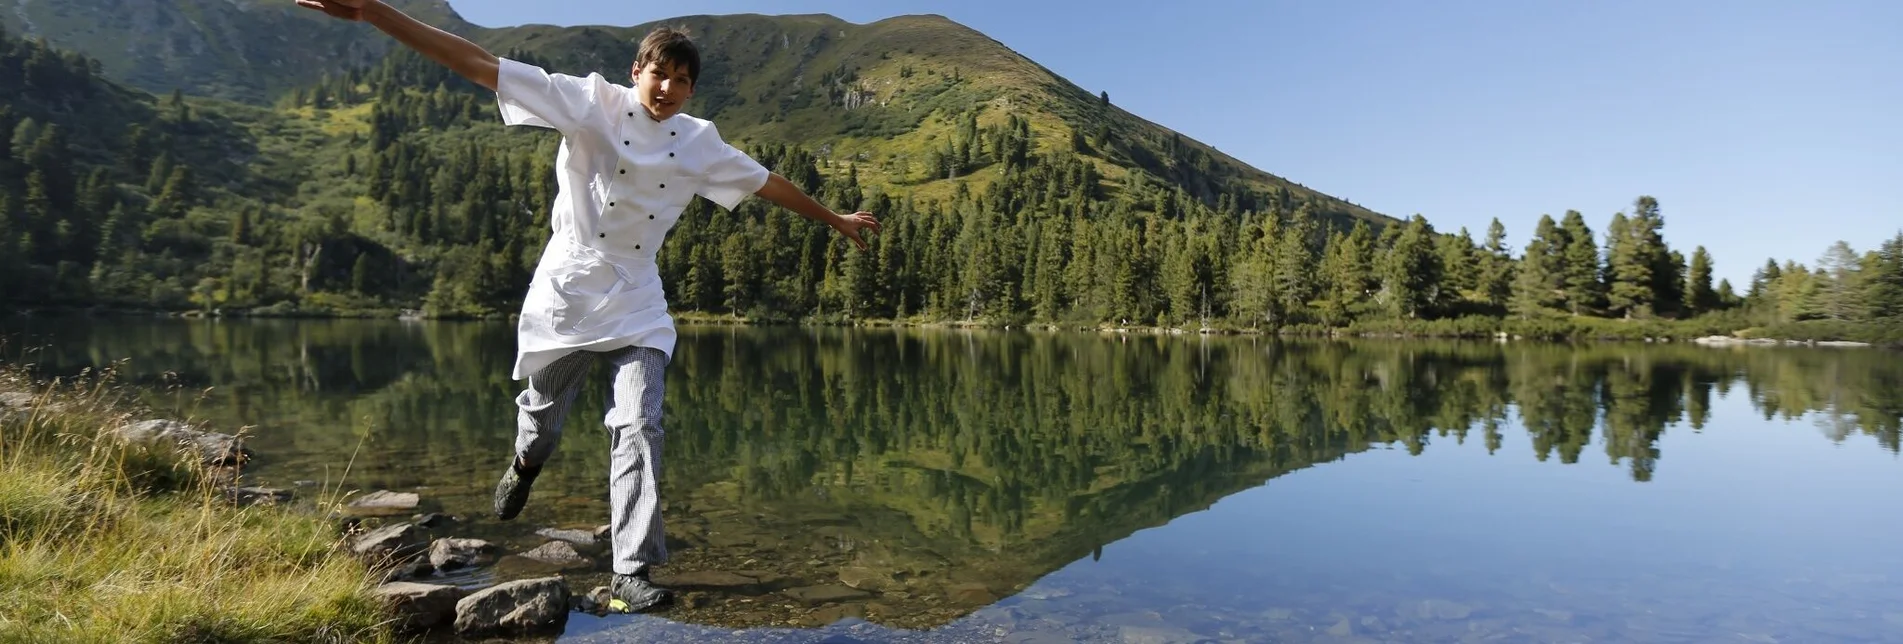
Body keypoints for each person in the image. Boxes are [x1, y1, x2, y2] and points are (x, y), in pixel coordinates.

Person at [295, 0, 881, 613]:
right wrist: (376, 13)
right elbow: (478, 63)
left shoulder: (699, 141)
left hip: (637, 300)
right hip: (568, 292)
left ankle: (632, 567)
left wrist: (834, 219)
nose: (670, 89)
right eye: (661, 74)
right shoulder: (588, 102)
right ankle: (525, 461)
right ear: (637, 71)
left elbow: (767, 183)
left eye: (683, 81)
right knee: (545, 420)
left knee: (640, 424)